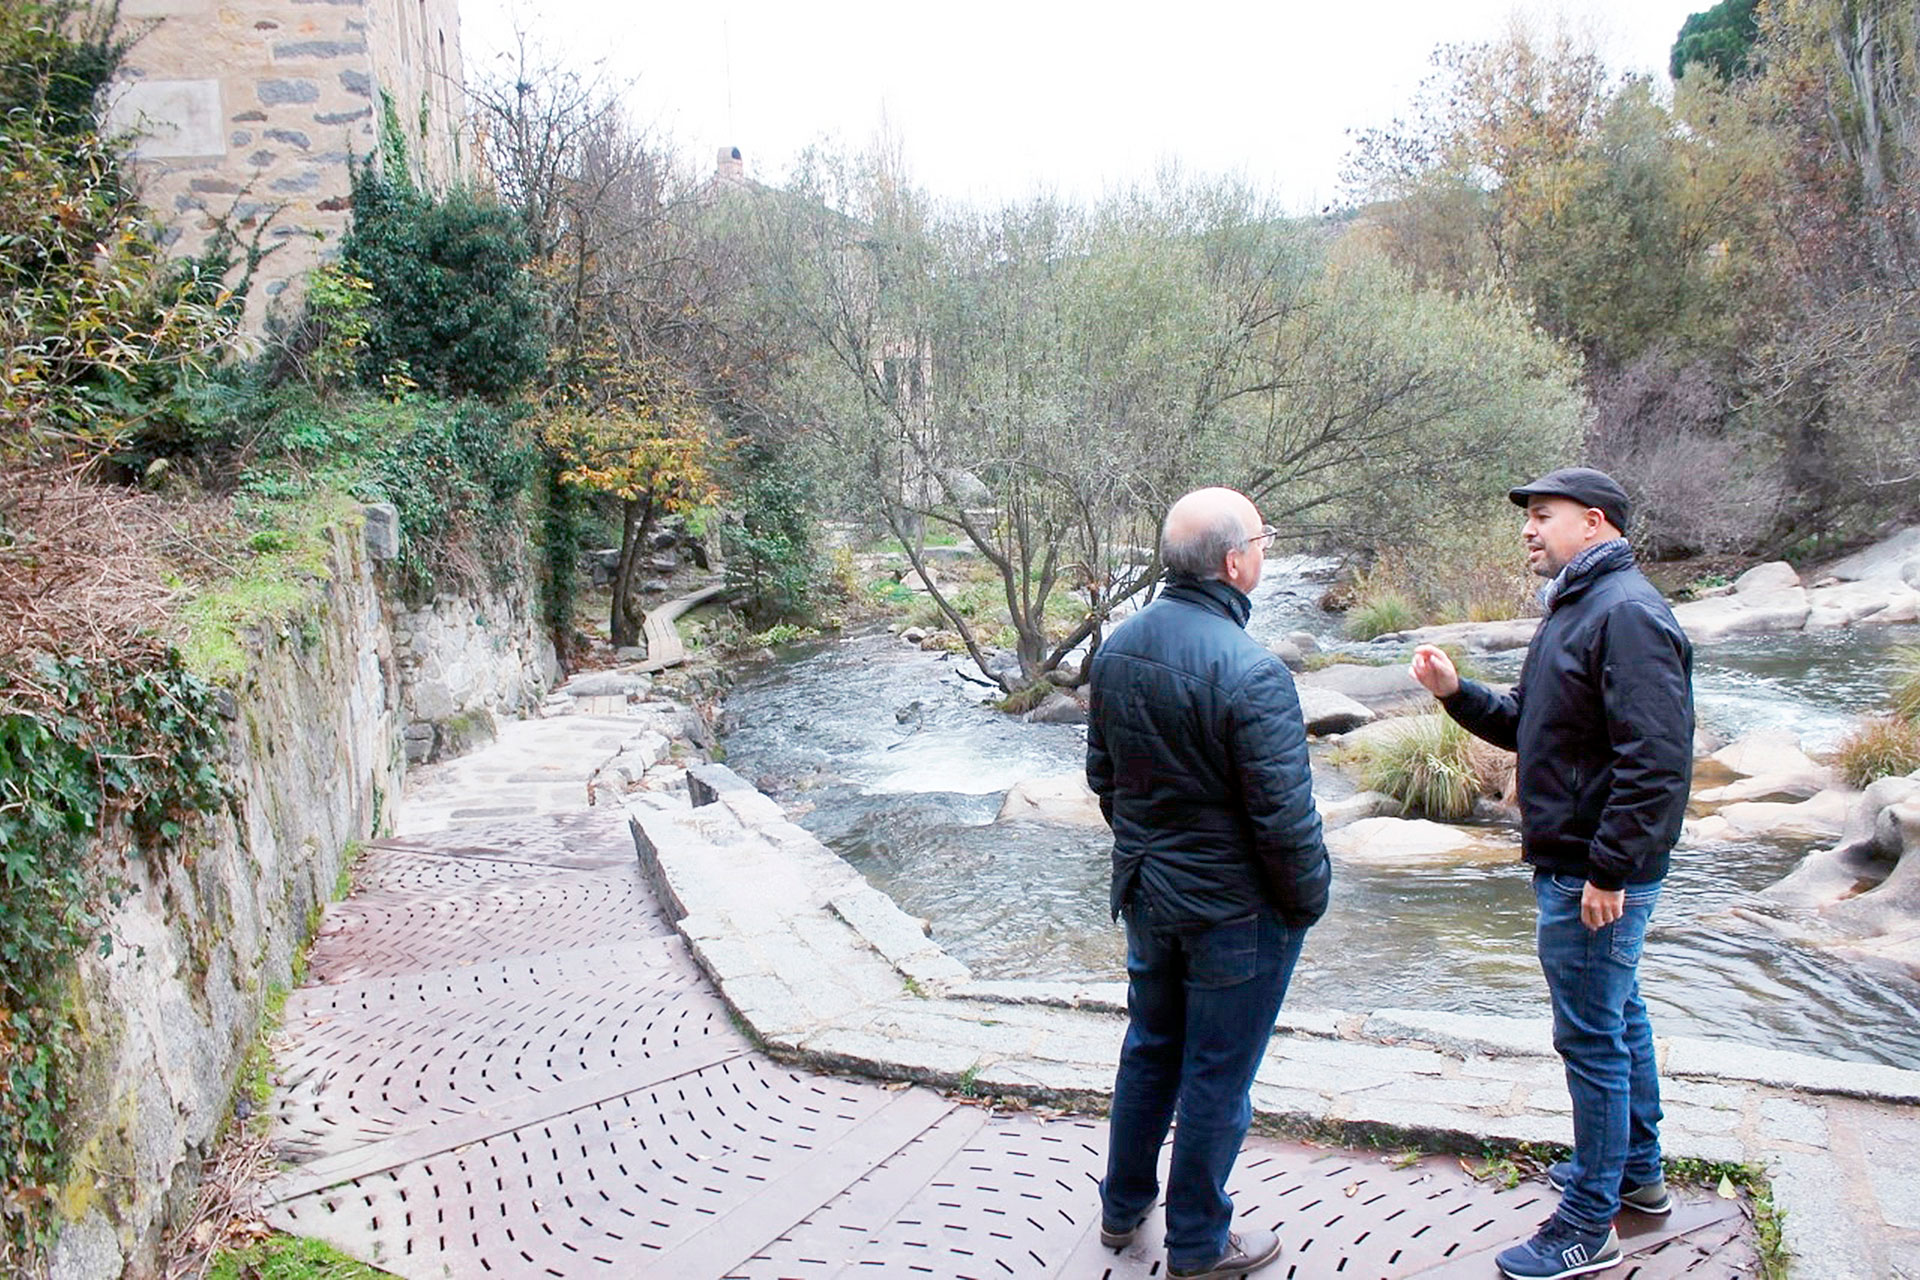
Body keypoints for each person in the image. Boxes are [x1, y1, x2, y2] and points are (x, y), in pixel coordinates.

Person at [1409, 467, 1694, 1280]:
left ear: (1594, 522)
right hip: (1584, 865)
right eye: (1528, 519)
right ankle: (1637, 1177)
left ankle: (1587, 1224)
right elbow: (1537, 730)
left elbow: (1660, 762)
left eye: (1543, 517)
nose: (1529, 531)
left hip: (1592, 874)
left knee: (1592, 1039)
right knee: (1618, 1017)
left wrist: (1610, 870)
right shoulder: (1580, 605)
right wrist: (1456, 693)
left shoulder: (1628, 614)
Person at [1086, 486, 1331, 1280]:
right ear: (1234, 563)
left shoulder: (1118, 647)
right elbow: (1285, 823)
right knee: (1217, 1076)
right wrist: (1306, 903)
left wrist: (1151, 848)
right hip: (1234, 913)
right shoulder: (1253, 672)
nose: (1266, 550)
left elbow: (1104, 779)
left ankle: (1123, 1209)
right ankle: (1197, 1244)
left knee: (1150, 1047)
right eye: (1262, 539)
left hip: (1150, 894)